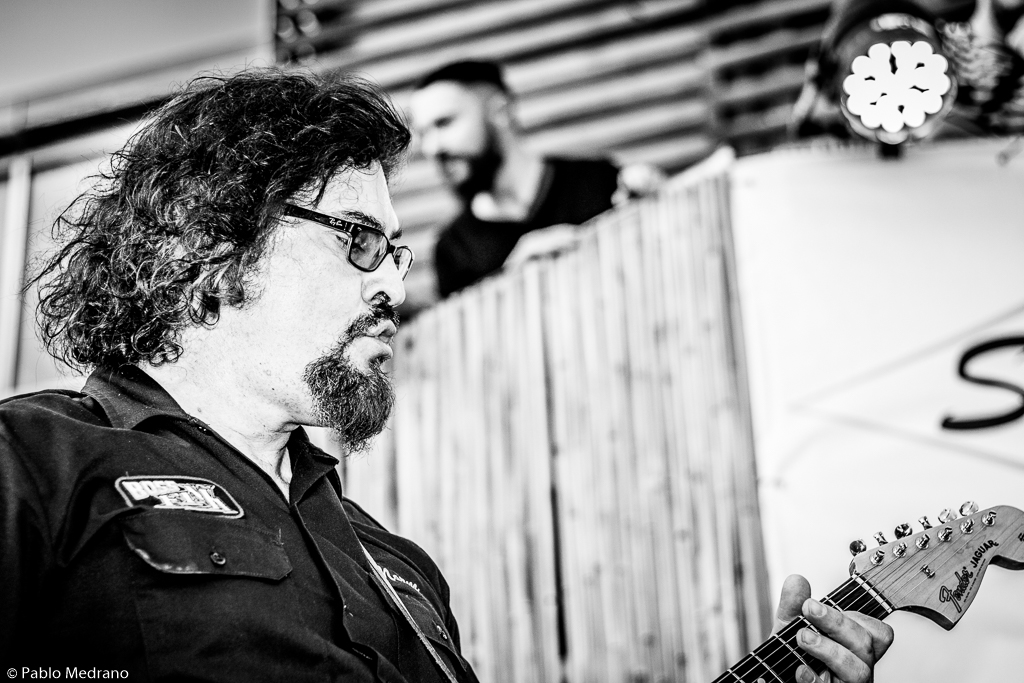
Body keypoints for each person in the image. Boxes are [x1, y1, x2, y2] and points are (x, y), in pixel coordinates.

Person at [0, 68, 891, 683]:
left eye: (395, 249)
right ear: (212, 245)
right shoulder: (35, 462)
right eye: (359, 239)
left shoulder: (399, 567)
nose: (393, 283)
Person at [408, 60, 665, 298]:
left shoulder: (598, 182)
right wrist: (511, 282)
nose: (431, 148)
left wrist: (657, 206)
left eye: (444, 123)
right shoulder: (454, 250)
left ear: (500, 112)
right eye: (423, 134)